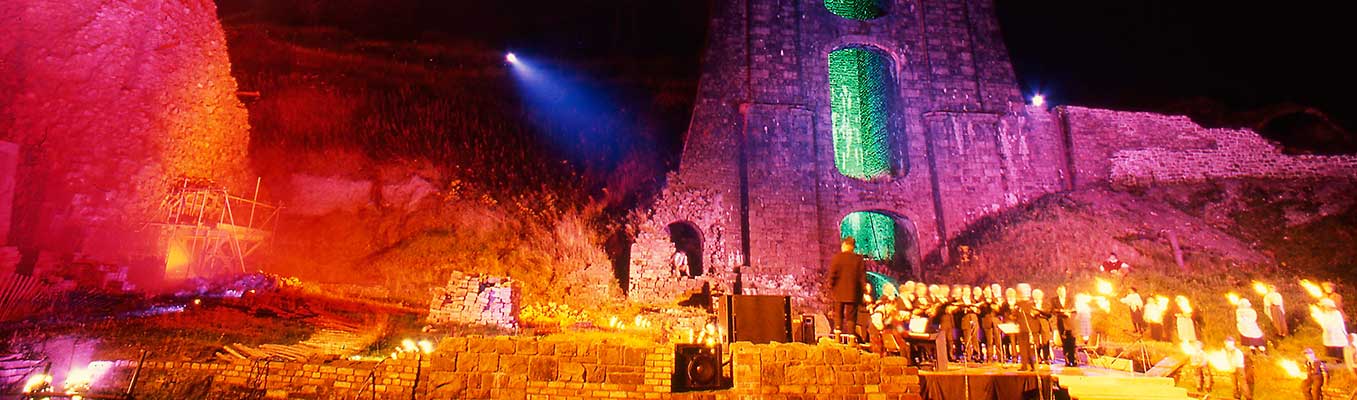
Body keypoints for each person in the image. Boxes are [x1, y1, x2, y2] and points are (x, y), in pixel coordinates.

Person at [828, 237, 867, 339]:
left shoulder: (837, 257)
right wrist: (864, 290)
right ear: (853, 247)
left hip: (839, 292)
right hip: (853, 292)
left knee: (838, 313)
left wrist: (831, 286)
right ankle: (851, 338)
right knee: (851, 315)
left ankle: (837, 336)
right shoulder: (859, 259)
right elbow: (862, 277)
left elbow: (832, 274)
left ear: (844, 245)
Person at [1013, 285, 1038, 371]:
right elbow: (1014, 315)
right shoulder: (1020, 304)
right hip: (1022, 328)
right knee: (1023, 348)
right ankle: (1025, 365)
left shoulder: (1029, 304)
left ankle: (1031, 365)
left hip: (1028, 328)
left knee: (1028, 348)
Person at [1051, 286, 1078, 367]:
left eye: (1063, 291)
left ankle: (1073, 360)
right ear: (1057, 292)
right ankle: (1067, 360)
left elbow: (1075, 309)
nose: (1062, 293)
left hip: (1070, 323)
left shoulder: (1071, 299)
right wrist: (1061, 312)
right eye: (1060, 291)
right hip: (1061, 323)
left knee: (1072, 342)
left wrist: (1069, 312)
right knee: (1065, 342)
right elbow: (1053, 310)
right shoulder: (1054, 300)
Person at [1032, 289, 1053, 363]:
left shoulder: (1046, 303)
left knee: (1045, 341)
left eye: (1038, 295)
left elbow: (1049, 314)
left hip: (1044, 323)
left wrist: (1039, 311)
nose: (1036, 297)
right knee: (1036, 342)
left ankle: (1046, 357)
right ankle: (1038, 357)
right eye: (1035, 295)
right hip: (1035, 324)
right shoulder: (1031, 304)